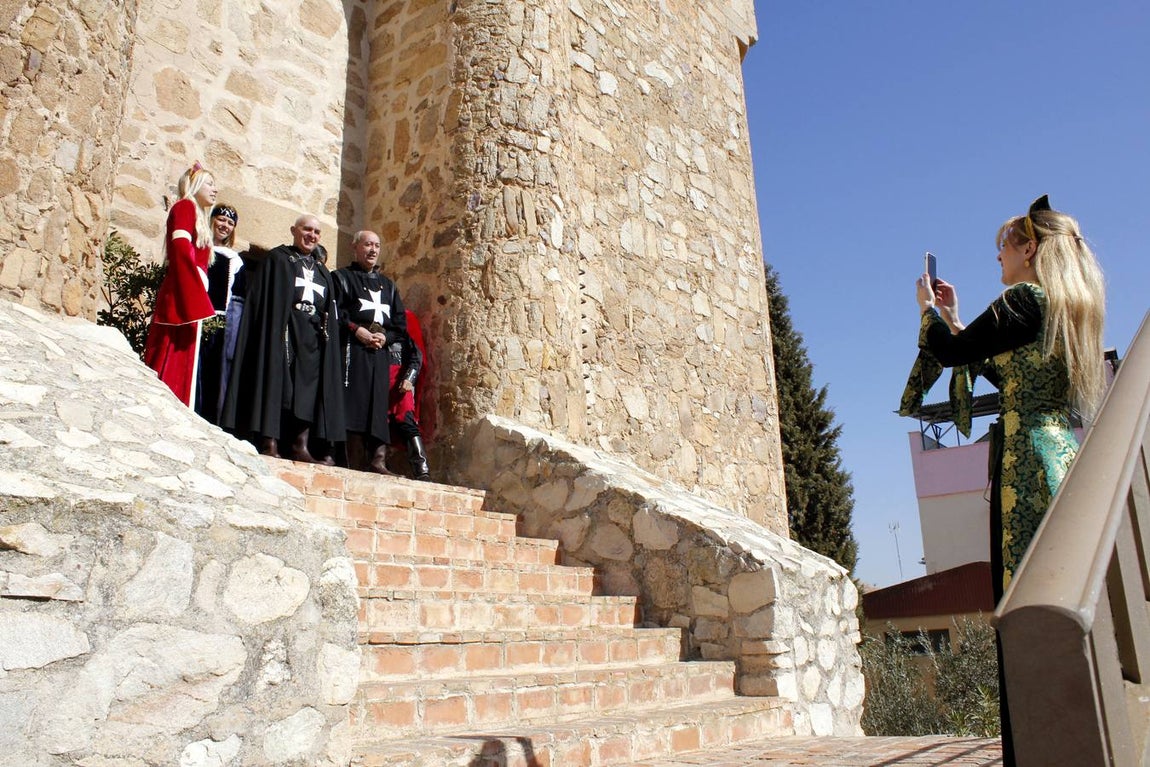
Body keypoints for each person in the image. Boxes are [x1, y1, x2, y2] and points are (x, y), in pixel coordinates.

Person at [899, 194, 1105, 764]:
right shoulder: (1062, 306)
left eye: (1002, 250)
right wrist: (957, 318)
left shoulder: (1025, 297)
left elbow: (956, 353)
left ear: (1028, 249)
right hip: (1056, 452)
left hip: (1024, 465)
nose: (998, 260)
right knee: (1052, 593)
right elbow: (993, 359)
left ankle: (1036, 747)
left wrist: (925, 312)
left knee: (1022, 605)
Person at [221, 214, 345, 463]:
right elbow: (267, 300)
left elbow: (329, 308)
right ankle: (270, 441)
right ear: (294, 230)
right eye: (306, 229)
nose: (312, 235)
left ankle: (301, 445)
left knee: (308, 390)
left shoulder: (322, 270)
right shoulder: (279, 259)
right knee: (277, 384)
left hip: (312, 336)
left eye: (316, 232)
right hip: (283, 331)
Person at [332, 230, 431, 480]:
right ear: (355, 248)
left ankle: (378, 461)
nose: (373, 250)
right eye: (367, 245)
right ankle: (350, 461)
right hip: (352, 350)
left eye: (377, 245)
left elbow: (399, 325)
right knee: (354, 404)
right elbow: (337, 313)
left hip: (380, 353)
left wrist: (386, 338)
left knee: (378, 407)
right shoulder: (341, 278)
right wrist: (358, 331)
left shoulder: (388, 286)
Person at [143, 163, 218, 407]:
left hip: (191, 287)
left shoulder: (198, 216)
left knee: (184, 353)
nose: (214, 190)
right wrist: (193, 285)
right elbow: (180, 248)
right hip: (182, 290)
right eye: (209, 183)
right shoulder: (185, 206)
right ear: (195, 185)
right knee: (172, 349)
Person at [195, 203, 245, 424]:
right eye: (221, 219)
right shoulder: (197, 247)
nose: (225, 225)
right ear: (212, 219)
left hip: (219, 322)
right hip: (195, 317)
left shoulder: (234, 260)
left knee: (213, 376)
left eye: (230, 223)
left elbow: (237, 297)